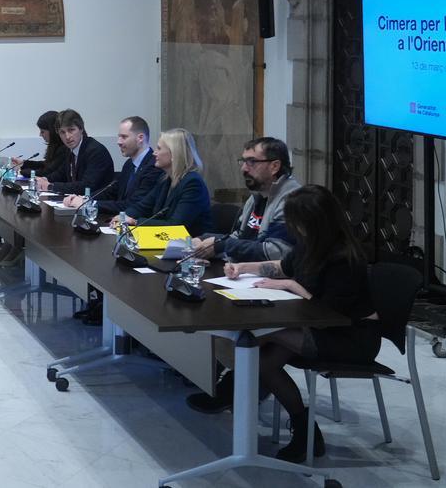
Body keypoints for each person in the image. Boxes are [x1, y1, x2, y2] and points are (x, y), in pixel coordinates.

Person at [187, 186, 379, 463]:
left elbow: (327, 313)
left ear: (313, 222)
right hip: (313, 326)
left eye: (295, 222)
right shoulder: (312, 245)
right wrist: (244, 268)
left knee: (258, 337)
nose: (292, 228)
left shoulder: (344, 258)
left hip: (348, 337)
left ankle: (231, 387)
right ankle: (302, 428)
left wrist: (290, 285)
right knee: (261, 355)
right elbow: (282, 266)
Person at [193, 136, 304, 263]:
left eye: (252, 162)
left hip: (275, 279)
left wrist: (221, 246)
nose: (244, 168)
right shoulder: (257, 196)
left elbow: (277, 252)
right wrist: (204, 242)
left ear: (275, 166)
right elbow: (238, 239)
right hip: (248, 274)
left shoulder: (292, 200)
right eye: (243, 161)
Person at [116, 128, 212, 238]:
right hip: (166, 242)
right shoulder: (165, 179)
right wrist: (123, 217)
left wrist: (135, 222)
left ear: (174, 154)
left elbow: (175, 225)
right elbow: (143, 206)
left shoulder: (192, 183)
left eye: (159, 148)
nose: (154, 153)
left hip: (193, 248)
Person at [65, 115, 161, 219]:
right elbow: (112, 191)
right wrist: (85, 199)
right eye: (119, 137)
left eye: (124, 137)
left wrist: (90, 203)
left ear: (140, 138)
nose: (118, 142)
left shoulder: (154, 166)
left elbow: (131, 204)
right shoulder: (129, 164)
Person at [31, 109, 114, 199]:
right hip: (77, 203)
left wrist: (51, 186)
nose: (67, 137)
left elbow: (86, 186)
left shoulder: (95, 151)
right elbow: (61, 174)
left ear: (81, 129)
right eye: (62, 132)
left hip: (97, 207)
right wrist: (44, 179)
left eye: (71, 130)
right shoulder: (70, 149)